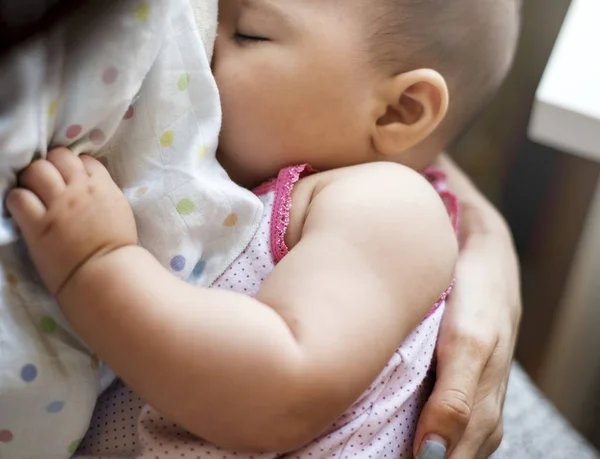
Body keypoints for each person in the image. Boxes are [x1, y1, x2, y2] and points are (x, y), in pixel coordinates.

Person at [6, 1, 522, 458]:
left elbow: (284, 387)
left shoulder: (392, 206)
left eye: (249, 33)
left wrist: (98, 262)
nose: (204, 41)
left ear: (398, 111)